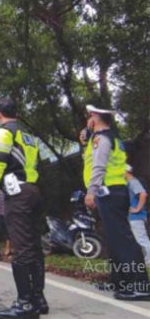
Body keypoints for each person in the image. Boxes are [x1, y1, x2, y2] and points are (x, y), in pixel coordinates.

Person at [0, 97, 46, 318]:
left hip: (17, 194)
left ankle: (25, 304)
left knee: (21, 248)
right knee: (35, 246)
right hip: (34, 190)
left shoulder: (3, 131)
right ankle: (39, 298)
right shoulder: (28, 136)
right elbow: (39, 163)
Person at [83, 104, 150, 301]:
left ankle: (140, 285)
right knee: (114, 240)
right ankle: (120, 281)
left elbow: (99, 166)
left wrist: (91, 191)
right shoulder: (113, 138)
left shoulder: (101, 139)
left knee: (123, 240)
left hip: (110, 191)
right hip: (113, 192)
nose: (87, 121)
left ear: (94, 116)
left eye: (89, 117)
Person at [126, 165, 150, 265]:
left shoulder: (133, 181)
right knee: (137, 239)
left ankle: (149, 261)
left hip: (136, 217)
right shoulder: (129, 182)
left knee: (141, 239)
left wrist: (137, 209)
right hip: (133, 217)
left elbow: (143, 194)